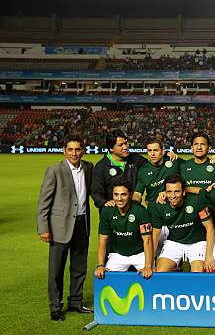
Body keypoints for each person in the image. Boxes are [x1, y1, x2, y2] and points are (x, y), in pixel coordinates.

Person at [37, 134, 93, 321]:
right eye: (70, 149)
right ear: (64, 151)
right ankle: (55, 307)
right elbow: (44, 202)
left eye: (77, 149)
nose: (74, 153)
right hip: (59, 227)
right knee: (56, 270)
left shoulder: (88, 167)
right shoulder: (54, 170)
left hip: (81, 224)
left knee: (79, 267)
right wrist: (43, 228)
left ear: (83, 151)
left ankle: (75, 301)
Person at [149, 174, 215, 273]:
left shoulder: (196, 200)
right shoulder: (159, 205)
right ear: (165, 192)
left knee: (197, 274)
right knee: (160, 272)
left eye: (177, 191)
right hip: (175, 242)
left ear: (184, 192)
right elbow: (155, 234)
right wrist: (149, 262)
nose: (172, 196)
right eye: (169, 192)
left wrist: (209, 256)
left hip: (197, 243)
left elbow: (210, 227)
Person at [95, 180, 153, 279]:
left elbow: (147, 240)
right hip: (117, 254)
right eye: (116, 194)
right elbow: (102, 239)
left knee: (152, 277)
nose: (119, 198)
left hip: (139, 254)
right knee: (105, 278)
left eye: (123, 194)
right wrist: (100, 265)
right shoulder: (107, 211)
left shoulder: (141, 211)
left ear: (130, 195)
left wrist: (148, 266)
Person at [92, 129, 147, 209]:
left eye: (126, 143)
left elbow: (152, 165)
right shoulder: (101, 167)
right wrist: (105, 202)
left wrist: (167, 155)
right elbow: (96, 193)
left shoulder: (137, 159)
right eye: (120, 145)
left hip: (133, 212)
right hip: (112, 215)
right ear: (111, 148)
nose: (125, 147)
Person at [133, 138, 180, 204]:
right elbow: (137, 193)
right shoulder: (143, 171)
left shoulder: (173, 162)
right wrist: (133, 204)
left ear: (163, 151)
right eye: (149, 150)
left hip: (172, 206)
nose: (152, 154)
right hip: (153, 207)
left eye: (155, 150)